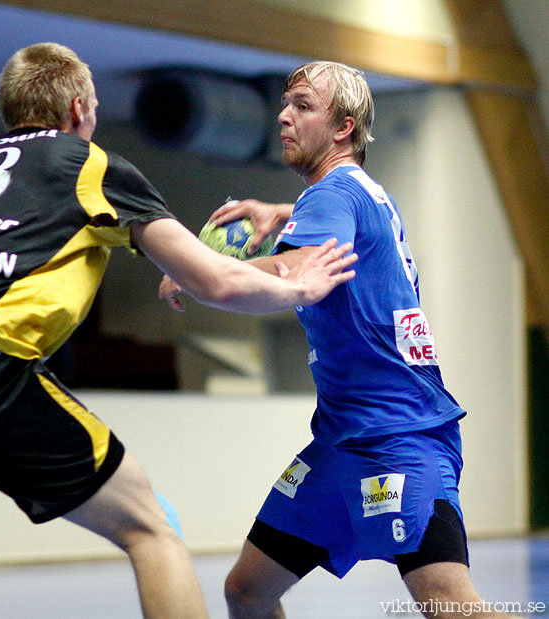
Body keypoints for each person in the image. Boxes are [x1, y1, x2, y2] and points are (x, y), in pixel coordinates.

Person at [0, 45, 358, 618]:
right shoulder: (88, 165)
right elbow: (216, 281)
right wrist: (301, 287)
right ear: (77, 110)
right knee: (151, 527)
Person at [161, 61, 520, 618]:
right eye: (285, 103)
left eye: (302, 106)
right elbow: (330, 228)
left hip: (400, 435)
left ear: (343, 127)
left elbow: (293, 278)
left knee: (448, 603)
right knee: (247, 590)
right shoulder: (362, 192)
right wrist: (280, 213)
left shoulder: (331, 197)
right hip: (340, 444)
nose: (283, 115)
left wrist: (193, 268)